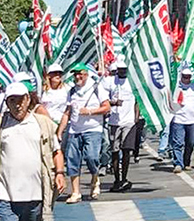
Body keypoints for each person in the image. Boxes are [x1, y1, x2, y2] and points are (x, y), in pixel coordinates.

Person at [0, 82, 66, 221]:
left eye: (21, 99)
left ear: (28, 99)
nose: (17, 105)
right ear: (7, 103)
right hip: (5, 195)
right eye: (12, 100)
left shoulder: (42, 123)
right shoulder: (2, 124)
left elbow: (56, 152)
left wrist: (59, 173)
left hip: (34, 194)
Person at [56, 63, 110, 204]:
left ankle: (95, 176)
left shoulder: (96, 87)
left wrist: (90, 111)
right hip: (75, 130)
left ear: (86, 74)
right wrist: (60, 131)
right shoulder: (72, 91)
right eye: (75, 74)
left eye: (80, 73)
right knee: (72, 159)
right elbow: (67, 112)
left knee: (91, 157)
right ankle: (76, 192)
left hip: (93, 129)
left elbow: (106, 107)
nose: (77, 77)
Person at [107, 62, 137, 192]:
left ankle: (124, 178)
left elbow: (138, 100)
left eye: (125, 69)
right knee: (114, 152)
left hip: (129, 122)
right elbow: (103, 100)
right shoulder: (110, 82)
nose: (122, 71)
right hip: (114, 121)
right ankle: (117, 179)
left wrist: (136, 118)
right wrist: (113, 103)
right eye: (120, 69)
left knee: (126, 151)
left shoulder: (133, 82)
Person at [171, 68, 194, 173]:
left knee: (191, 143)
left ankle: (186, 161)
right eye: (184, 76)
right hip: (178, 118)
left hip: (192, 119)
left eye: (188, 76)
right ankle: (178, 163)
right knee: (178, 142)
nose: (186, 78)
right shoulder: (175, 87)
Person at [40, 64, 69, 136]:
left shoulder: (67, 88)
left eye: (60, 73)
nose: (58, 75)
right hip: (47, 124)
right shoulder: (43, 90)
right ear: (49, 75)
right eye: (55, 73)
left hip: (62, 124)